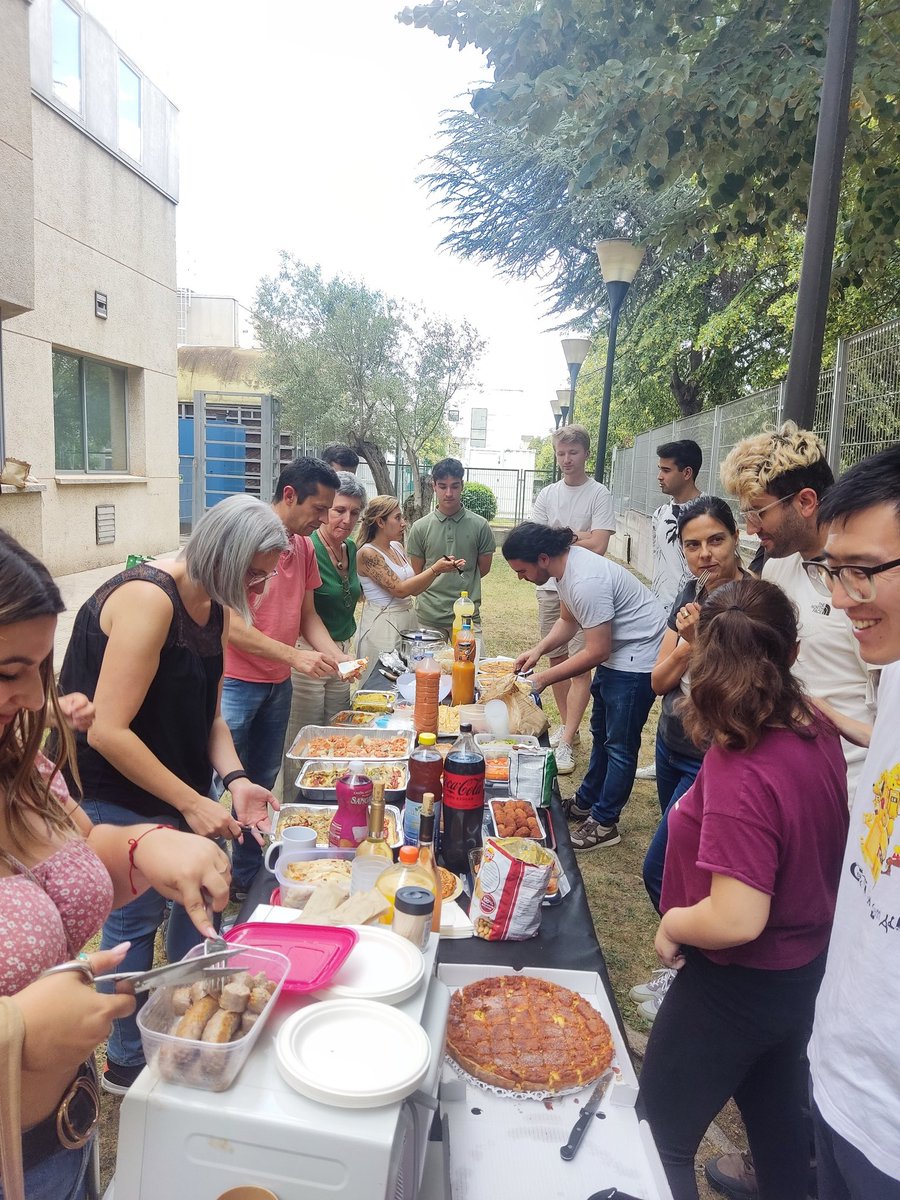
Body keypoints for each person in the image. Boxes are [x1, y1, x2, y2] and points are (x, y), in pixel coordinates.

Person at [0, 530, 231, 1199]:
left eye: (40, 673)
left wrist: (141, 847)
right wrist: (17, 1031)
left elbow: (64, 862)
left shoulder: (23, 765)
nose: (35, 702)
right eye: (10, 673)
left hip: (63, 1147)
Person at [58, 493, 287, 1094]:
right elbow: (107, 729)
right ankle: (126, 1057)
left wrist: (235, 782)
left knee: (203, 899)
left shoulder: (212, 606)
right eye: (255, 575)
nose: (259, 591)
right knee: (135, 922)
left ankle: (188, 1027)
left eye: (266, 577)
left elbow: (212, 719)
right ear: (223, 554)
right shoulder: (148, 598)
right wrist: (190, 802)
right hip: (117, 790)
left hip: (181, 783)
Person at [639, 578, 849, 1200]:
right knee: (778, 1125)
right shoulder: (812, 721)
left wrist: (674, 923)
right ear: (793, 650)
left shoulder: (742, 764)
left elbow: (736, 917)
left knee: (657, 1141)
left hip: (737, 980)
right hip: (802, 971)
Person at [710, 426, 875, 1200]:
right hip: (786, 773)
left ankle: (804, 1148)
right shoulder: (779, 563)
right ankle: (789, 1141)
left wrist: (850, 736)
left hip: (850, 802)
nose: (752, 529)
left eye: (761, 511)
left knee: (815, 971)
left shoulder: (867, 582)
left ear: (806, 499)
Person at [805, 445, 900, 1199]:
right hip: (841, 1070)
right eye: (832, 571)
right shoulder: (894, 670)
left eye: (863, 571)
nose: (841, 598)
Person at [221, 457, 352, 894]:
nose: (323, 519)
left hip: (277, 685)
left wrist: (335, 658)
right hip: (236, 683)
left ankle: (244, 879)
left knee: (260, 783)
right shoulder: (245, 539)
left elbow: (307, 616)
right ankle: (184, 881)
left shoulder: (306, 547)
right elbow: (231, 625)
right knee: (212, 785)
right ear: (290, 495)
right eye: (319, 508)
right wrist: (295, 659)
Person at [634, 498, 749, 995]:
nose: (705, 554)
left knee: (658, 867)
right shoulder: (689, 594)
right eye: (693, 544)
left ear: (735, 538)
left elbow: (743, 693)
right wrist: (686, 644)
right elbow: (658, 681)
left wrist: (697, 642)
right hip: (672, 744)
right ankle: (686, 975)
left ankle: (695, 975)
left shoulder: (753, 601)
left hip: (713, 760)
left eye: (715, 540)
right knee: (683, 870)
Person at [505, 522, 665, 850]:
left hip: (639, 658)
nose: (520, 578)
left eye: (522, 571)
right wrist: (539, 651)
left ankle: (605, 823)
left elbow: (597, 650)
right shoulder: (565, 570)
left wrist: (544, 679)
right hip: (620, 655)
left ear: (543, 558)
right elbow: (567, 621)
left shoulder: (585, 580)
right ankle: (586, 801)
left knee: (619, 744)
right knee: (601, 732)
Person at [530, 424, 616, 775]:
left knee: (583, 664)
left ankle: (564, 742)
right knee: (557, 658)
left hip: (585, 588)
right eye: (561, 453)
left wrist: (560, 537)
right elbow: (536, 541)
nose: (566, 459)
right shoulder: (548, 494)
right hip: (550, 589)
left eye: (573, 452)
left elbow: (600, 544)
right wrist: (577, 535)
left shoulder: (599, 494)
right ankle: (570, 727)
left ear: (585, 453)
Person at [282, 473, 367, 784]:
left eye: (355, 512)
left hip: (340, 654)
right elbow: (306, 615)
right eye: (339, 510)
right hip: (307, 656)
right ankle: (293, 808)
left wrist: (343, 656)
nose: (347, 519)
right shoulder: (307, 546)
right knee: (303, 742)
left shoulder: (351, 550)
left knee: (336, 738)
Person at [356, 495, 465, 660]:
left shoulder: (396, 547)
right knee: (382, 679)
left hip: (407, 620)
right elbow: (399, 590)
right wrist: (435, 569)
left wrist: (442, 569)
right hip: (382, 625)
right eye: (397, 517)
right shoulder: (368, 553)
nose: (403, 523)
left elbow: (415, 590)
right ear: (380, 522)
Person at [406, 458, 495, 635]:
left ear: (462, 485)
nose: (448, 493)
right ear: (434, 486)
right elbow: (418, 572)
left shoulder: (480, 525)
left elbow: (482, 569)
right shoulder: (420, 527)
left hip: (467, 617)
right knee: (426, 664)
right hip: (428, 617)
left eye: (454, 486)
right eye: (442, 486)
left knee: (473, 663)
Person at [651, 439, 702, 614]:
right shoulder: (659, 514)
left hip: (694, 615)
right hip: (659, 614)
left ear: (687, 473)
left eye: (666, 470)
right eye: (660, 469)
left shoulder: (711, 513)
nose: (659, 476)